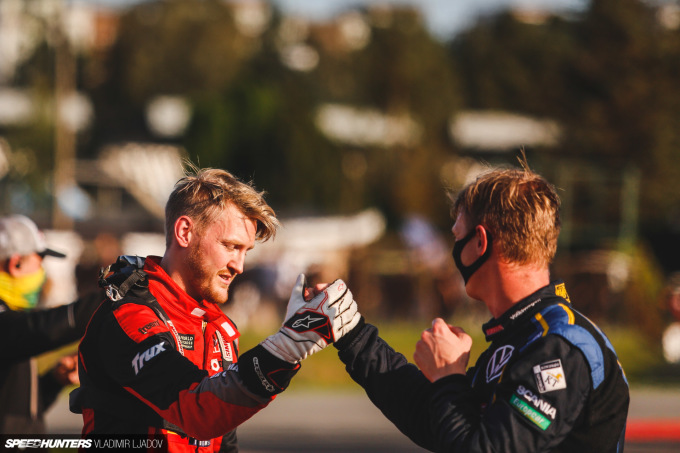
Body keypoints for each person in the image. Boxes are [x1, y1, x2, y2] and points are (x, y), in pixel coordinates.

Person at [333, 160, 630, 452]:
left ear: (480, 242)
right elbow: (438, 419)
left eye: (457, 237)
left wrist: (449, 376)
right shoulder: (521, 333)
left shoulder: (558, 346)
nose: (454, 251)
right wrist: (351, 333)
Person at [70, 166, 360, 452]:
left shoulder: (221, 329)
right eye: (231, 246)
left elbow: (223, 441)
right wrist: (287, 347)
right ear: (185, 232)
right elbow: (197, 411)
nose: (239, 266)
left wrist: (291, 345)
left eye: (245, 251)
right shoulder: (128, 316)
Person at [0, 214, 102, 434]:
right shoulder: (9, 325)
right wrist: (112, 296)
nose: (42, 273)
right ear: (15, 263)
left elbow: (18, 411)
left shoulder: (12, 319)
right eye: (39, 262)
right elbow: (42, 329)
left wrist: (54, 380)